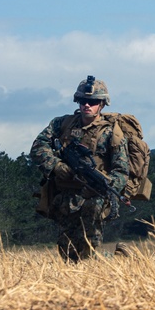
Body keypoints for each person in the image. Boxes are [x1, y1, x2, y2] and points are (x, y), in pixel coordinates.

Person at [30, 76, 130, 262]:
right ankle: (117, 260)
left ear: (102, 104)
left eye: (93, 102)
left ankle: (118, 262)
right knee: (68, 253)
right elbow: (38, 147)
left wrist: (106, 185)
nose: (87, 105)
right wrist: (57, 166)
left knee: (88, 253)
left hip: (94, 200)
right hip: (66, 198)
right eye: (83, 101)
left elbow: (121, 171)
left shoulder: (111, 132)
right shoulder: (62, 124)